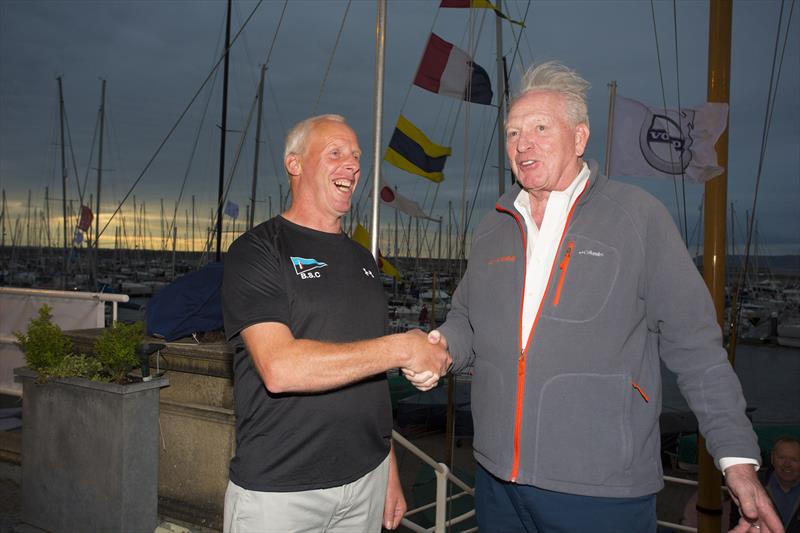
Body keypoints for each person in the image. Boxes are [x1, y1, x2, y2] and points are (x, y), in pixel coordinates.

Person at [407, 61, 783, 532]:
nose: (523, 143)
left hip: (601, 494)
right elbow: (466, 320)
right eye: (513, 132)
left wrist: (737, 460)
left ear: (579, 138)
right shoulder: (492, 229)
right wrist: (439, 351)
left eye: (541, 128)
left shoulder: (637, 218)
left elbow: (696, 347)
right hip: (495, 481)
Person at [221, 114, 451, 533]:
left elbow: (370, 374)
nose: (352, 165)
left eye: (356, 157)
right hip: (281, 491)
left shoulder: (363, 258)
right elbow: (280, 368)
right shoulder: (256, 250)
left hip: (366, 480)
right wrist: (404, 346)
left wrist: (389, 471)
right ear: (295, 164)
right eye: (335, 153)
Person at [731, 437, 800, 532]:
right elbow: (735, 522)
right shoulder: (750, 487)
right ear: (772, 459)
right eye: (782, 458)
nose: (787, 464)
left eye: (794, 459)